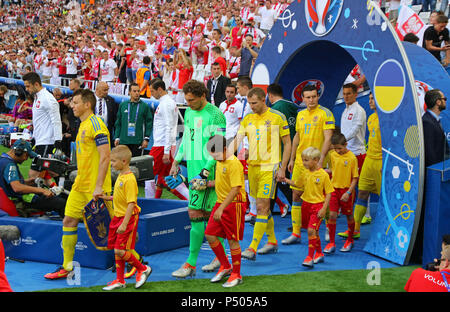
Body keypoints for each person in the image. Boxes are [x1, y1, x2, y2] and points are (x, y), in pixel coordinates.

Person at [44, 89, 112, 280]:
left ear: (87, 104)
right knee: (68, 221)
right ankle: (67, 266)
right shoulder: (81, 125)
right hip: (80, 185)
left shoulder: (96, 124)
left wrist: (98, 186)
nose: (72, 106)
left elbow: (106, 156)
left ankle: (137, 262)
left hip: (95, 187)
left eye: (75, 102)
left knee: (111, 229)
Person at [169, 79, 227, 278]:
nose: (189, 103)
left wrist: (206, 171)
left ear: (203, 95)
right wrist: (176, 160)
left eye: (192, 100)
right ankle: (191, 264)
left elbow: (218, 146)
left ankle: (220, 259)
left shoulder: (216, 115)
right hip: (194, 174)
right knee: (194, 215)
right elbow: (185, 138)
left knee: (214, 218)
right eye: (186, 100)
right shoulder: (190, 112)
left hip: (211, 174)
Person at [229, 87, 291, 260]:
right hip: (253, 167)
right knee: (262, 206)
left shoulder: (278, 117)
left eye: (254, 103)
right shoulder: (248, 118)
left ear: (264, 99)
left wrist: (282, 167)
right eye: (249, 103)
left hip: (269, 167)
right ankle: (272, 241)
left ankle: (252, 248)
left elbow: (287, 143)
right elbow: (237, 141)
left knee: (262, 206)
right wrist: (224, 157)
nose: (251, 106)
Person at [284, 84, 335, 245]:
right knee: (296, 195)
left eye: (314, 96)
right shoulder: (300, 115)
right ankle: (296, 233)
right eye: (308, 97)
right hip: (300, 162)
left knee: (320, 197)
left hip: (317, 162)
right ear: (303, 98)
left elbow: (328, 138)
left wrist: (320, 160)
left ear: (318, 96)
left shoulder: (325, 113)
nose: (311, 100)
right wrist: (292, 159)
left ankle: (327, 228)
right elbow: (297, 137)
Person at [101, 145, 152, 291]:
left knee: (119, 250)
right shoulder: (120, 176)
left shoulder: (129, 179)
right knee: (117, 249)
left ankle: (143, 269)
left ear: (124, 161)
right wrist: (106, 197)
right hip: (118, 217)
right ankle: (120, 280)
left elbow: (131, 203)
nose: (111, 164)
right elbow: (120, 197)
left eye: (114, 161)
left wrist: (124, 223)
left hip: (126, 218)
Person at [204, 135, 246, 287]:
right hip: (221, 203)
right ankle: (226, 266)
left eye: (215, 155)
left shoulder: (234, 164)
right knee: (209, 234)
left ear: (224, 149)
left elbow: (235, 189)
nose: (214, 158)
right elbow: (224, 181)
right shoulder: (220, 160)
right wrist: (208, 184)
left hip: (234, 205)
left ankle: (236, 274)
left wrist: (221, 208)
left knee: (232, 240)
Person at [339, 93, 382, 240]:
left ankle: (384, 232)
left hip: (381, 162)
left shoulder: (386, 120)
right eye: (369, 98)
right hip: (369, 160)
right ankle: (355, 230)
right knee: (362, 193)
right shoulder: (371, 118)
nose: (370, 101)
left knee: (385, 198)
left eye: (373, 98)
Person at [284, 147, 334, 267]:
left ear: (316, 160)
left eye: (306, 160)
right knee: (314, 232)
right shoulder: (305, 173)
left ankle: (309, 257)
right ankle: (320, 254)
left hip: (318, 206)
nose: (304, 163)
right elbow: (298, 184)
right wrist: (285, 179)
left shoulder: (323, 175)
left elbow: (329, 193)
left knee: (311, 231)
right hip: (305, 205)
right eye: (303, 160)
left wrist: (323, 208)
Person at [0, 139, 66, 218]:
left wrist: (29, 181)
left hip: (8, 198)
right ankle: (70, 226)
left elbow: (8, 183)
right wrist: (43, 190)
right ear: (19, 152)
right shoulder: (10, 165)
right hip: (18, 202)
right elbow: (17, 188)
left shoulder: (3, 160)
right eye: (27, 155)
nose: (26, 159)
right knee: (60, 203)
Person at [148, 79, 186, 200]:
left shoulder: (166, 104)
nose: (151, 94)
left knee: (148, 174)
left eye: (152, 91)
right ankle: (191, 200)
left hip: (161, 145)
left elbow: (170, 127)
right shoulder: (167, 102)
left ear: (160, 89)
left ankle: (148, 204)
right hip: (164, 144)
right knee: (165, 177)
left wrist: (166, 151)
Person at [22, 72, 63, 181]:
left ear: (36, 84)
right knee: (49, 173)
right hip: (40, 141)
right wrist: (34, 138)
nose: (26, 89)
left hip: (46, 142)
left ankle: (42, 196)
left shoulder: (48, 99)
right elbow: (39, 121)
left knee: (33, 175)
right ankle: (61, 191)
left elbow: (56, 120)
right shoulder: (37, 97)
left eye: (28, 86)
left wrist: (58, 140)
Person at [324, 132, 359, 254]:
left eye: (340, 148)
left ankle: (350, 240)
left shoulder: (352, 158)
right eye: (335, 148)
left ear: (346, 144)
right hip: (334, 190)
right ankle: (331, 242)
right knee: (332, 215)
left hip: (346, 191)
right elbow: (334, 170)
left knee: (349, 215)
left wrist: (348, 192)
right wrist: (325, 172)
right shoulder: (333, 155)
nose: (337, 151)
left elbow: (355, 178)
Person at [267, 83, 299, 215]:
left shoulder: (276, 109)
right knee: (277, 181)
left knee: (281, 181)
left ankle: (298, 210)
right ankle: (268, 211)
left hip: (281, 151)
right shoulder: (292, 106)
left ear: (270, 95)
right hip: (294, 148)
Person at [114, 83, 153, 157]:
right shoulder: (123, 105)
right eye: (134, 91)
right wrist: (117, 137)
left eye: (138, 91)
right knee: (124, 163)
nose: (137, 93)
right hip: (124, 140)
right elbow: (118, 123)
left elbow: (149, 123)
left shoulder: (144, 106)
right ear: (129, 92)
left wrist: (146, 138)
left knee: (136, 164)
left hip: (138, 141)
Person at [94, 81, 118, 145]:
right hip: (92, 133)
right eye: (104, 90)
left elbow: (114, 119)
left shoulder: (111, 100)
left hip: (106, 133)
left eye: (107, 90)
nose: (106, 92)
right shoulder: (90, 100)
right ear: (97, 90)